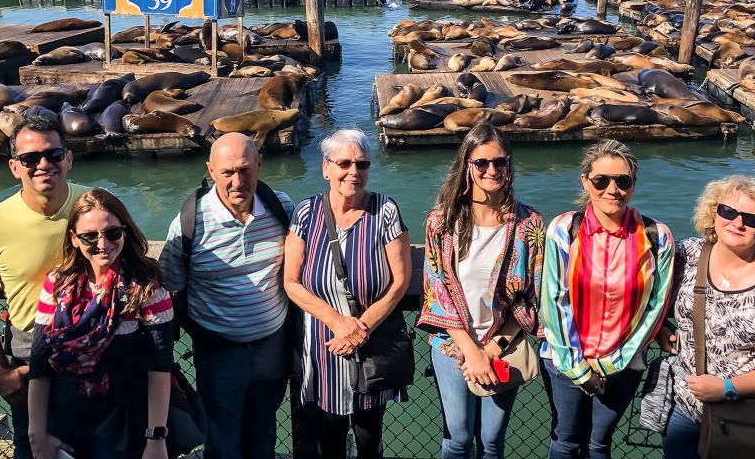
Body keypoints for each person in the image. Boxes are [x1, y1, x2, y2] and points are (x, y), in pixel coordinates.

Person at [158, 132, 294, 459]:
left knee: (263, 431)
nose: (237, 181)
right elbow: (171, 284)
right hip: (218, 351)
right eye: (227, 172)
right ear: (210, 170)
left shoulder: (282, 208)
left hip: (272, 346)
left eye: (245, 169)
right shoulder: (190, 224)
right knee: (222, 440)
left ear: (259, 164)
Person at [0, 117, 87, 459]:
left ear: (69, 159)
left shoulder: (96, 210)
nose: (44, 164)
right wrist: (0, 372)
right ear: (15, 167)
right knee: (34, 450)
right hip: (31, 353)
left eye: (54, 154)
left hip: (97, 348)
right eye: (31, 159)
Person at [540, 139, 674, 459]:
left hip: (624, 364)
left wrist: (616, 361)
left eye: (622, 181)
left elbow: (655, 308)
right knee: (565, 439)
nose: (612, 190)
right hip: (565, 359)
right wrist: (579, 368)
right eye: (601, 181)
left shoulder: (657, 237)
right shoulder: (563, 229)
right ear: (586, 181)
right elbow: (553, 300)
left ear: (633, 184)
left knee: (600, 442)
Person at [417, 123, 545, 459]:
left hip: (502, 344)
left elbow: (532, 294)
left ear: (509, 166)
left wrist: (492, 347)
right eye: (482, 163)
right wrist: (471, 352)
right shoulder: (441, 222)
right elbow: (437, 291)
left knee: (491, 440)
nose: (492, 170)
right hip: (451, 345)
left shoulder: (529, 224)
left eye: (500, 162)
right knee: (458, 439)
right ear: (467, 166)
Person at [659, 175, 755, 459]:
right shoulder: (686, 255)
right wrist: (658, 329)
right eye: (728, 211)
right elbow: (640, 292)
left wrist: (727, 388)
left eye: (753, 220)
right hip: (687, 410)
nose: (738, 223)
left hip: (749, 418)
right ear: (713, 213)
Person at [283, 128, 411, 459]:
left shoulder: (385, 211)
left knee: (369, 438)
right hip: (323, 353)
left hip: (370, 352)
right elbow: (291, 281)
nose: (354, 172)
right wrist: (338, 322)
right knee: (328, 441)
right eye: (344, 163)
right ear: (326, 168)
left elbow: (401, 282)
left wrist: (360, 328)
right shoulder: (306, 213)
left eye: (362, 164)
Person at [27, 188, 173, 459]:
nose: (103, 244)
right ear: (74, 238)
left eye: (112, 233)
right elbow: (40, 361)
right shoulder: (57, 284)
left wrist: (156, 437)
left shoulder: (146, 287)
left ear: (125, 231)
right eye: (89, 236)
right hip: (64, 422)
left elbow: (159, 365)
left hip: (122, 425)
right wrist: (36, 433)